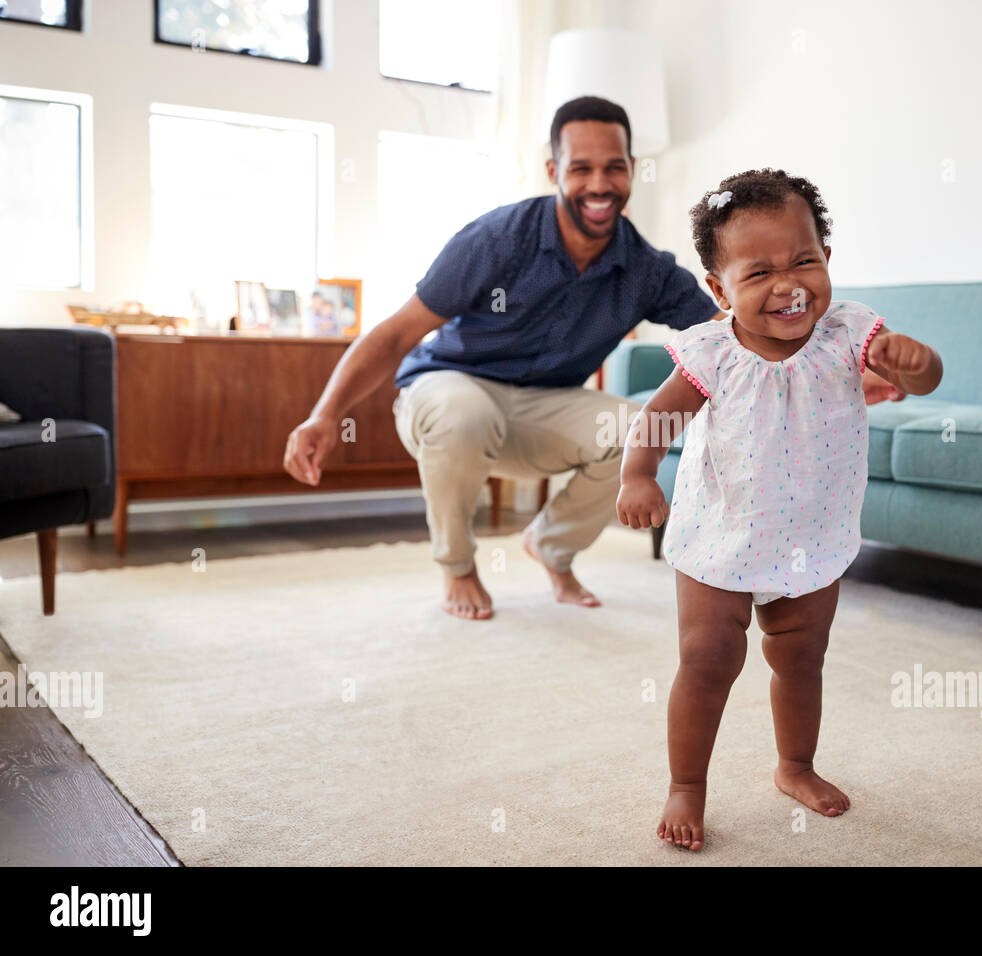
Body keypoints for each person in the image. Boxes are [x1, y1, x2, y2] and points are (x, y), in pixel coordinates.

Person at [283, 97, 724, 619]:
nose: (599, 184)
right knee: (466, 414)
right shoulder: (495, 240)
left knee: (640, 429)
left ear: (632, 168)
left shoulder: (645, 268)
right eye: (581, 168)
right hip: (449, 390)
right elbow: (397, 332)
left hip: (546, 408)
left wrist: (809, 337)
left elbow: (723, 333)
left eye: (614, 167)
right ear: (553, 169)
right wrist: (326, 415)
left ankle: (552, 547)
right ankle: (458, 567)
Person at [616, 168, 944, 851]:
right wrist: (638, 478)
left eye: (804, 260)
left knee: (801, 658)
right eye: (759, 271)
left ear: (827, 258)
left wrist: (914, 363)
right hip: (721, 533)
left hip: (812, 537)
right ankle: (687, 784)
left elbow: (921, 378)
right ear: (719, 288)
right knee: (707, 658)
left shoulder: (851, 332)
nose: (788, 284)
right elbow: (656, 418)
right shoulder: (712, 351)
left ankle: (795, 765)